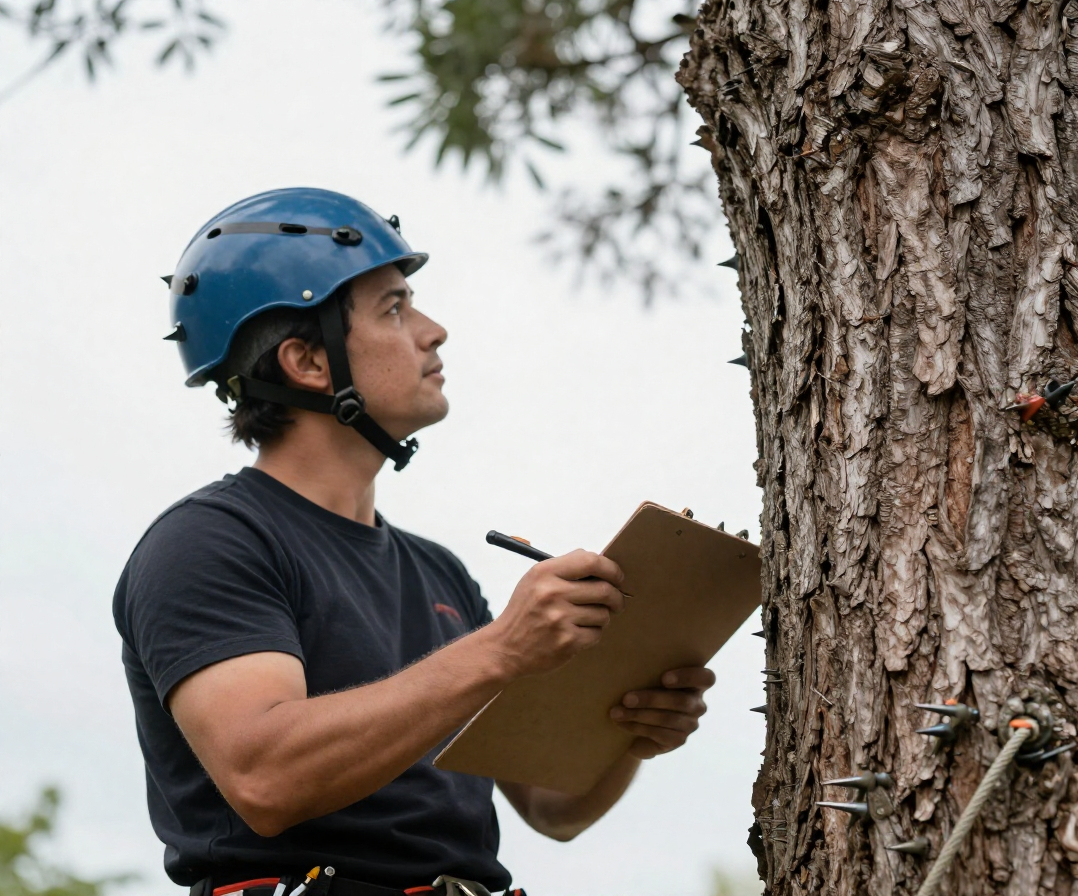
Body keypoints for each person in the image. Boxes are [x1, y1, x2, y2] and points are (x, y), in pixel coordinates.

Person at [112, 188, 716, 896]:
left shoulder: (439, 572)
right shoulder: (210, 542)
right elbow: (265, 776)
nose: (434, 330)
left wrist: (627, 730)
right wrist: (499, 651)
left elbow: (553, 807)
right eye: (394, 309)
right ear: (308, 363)